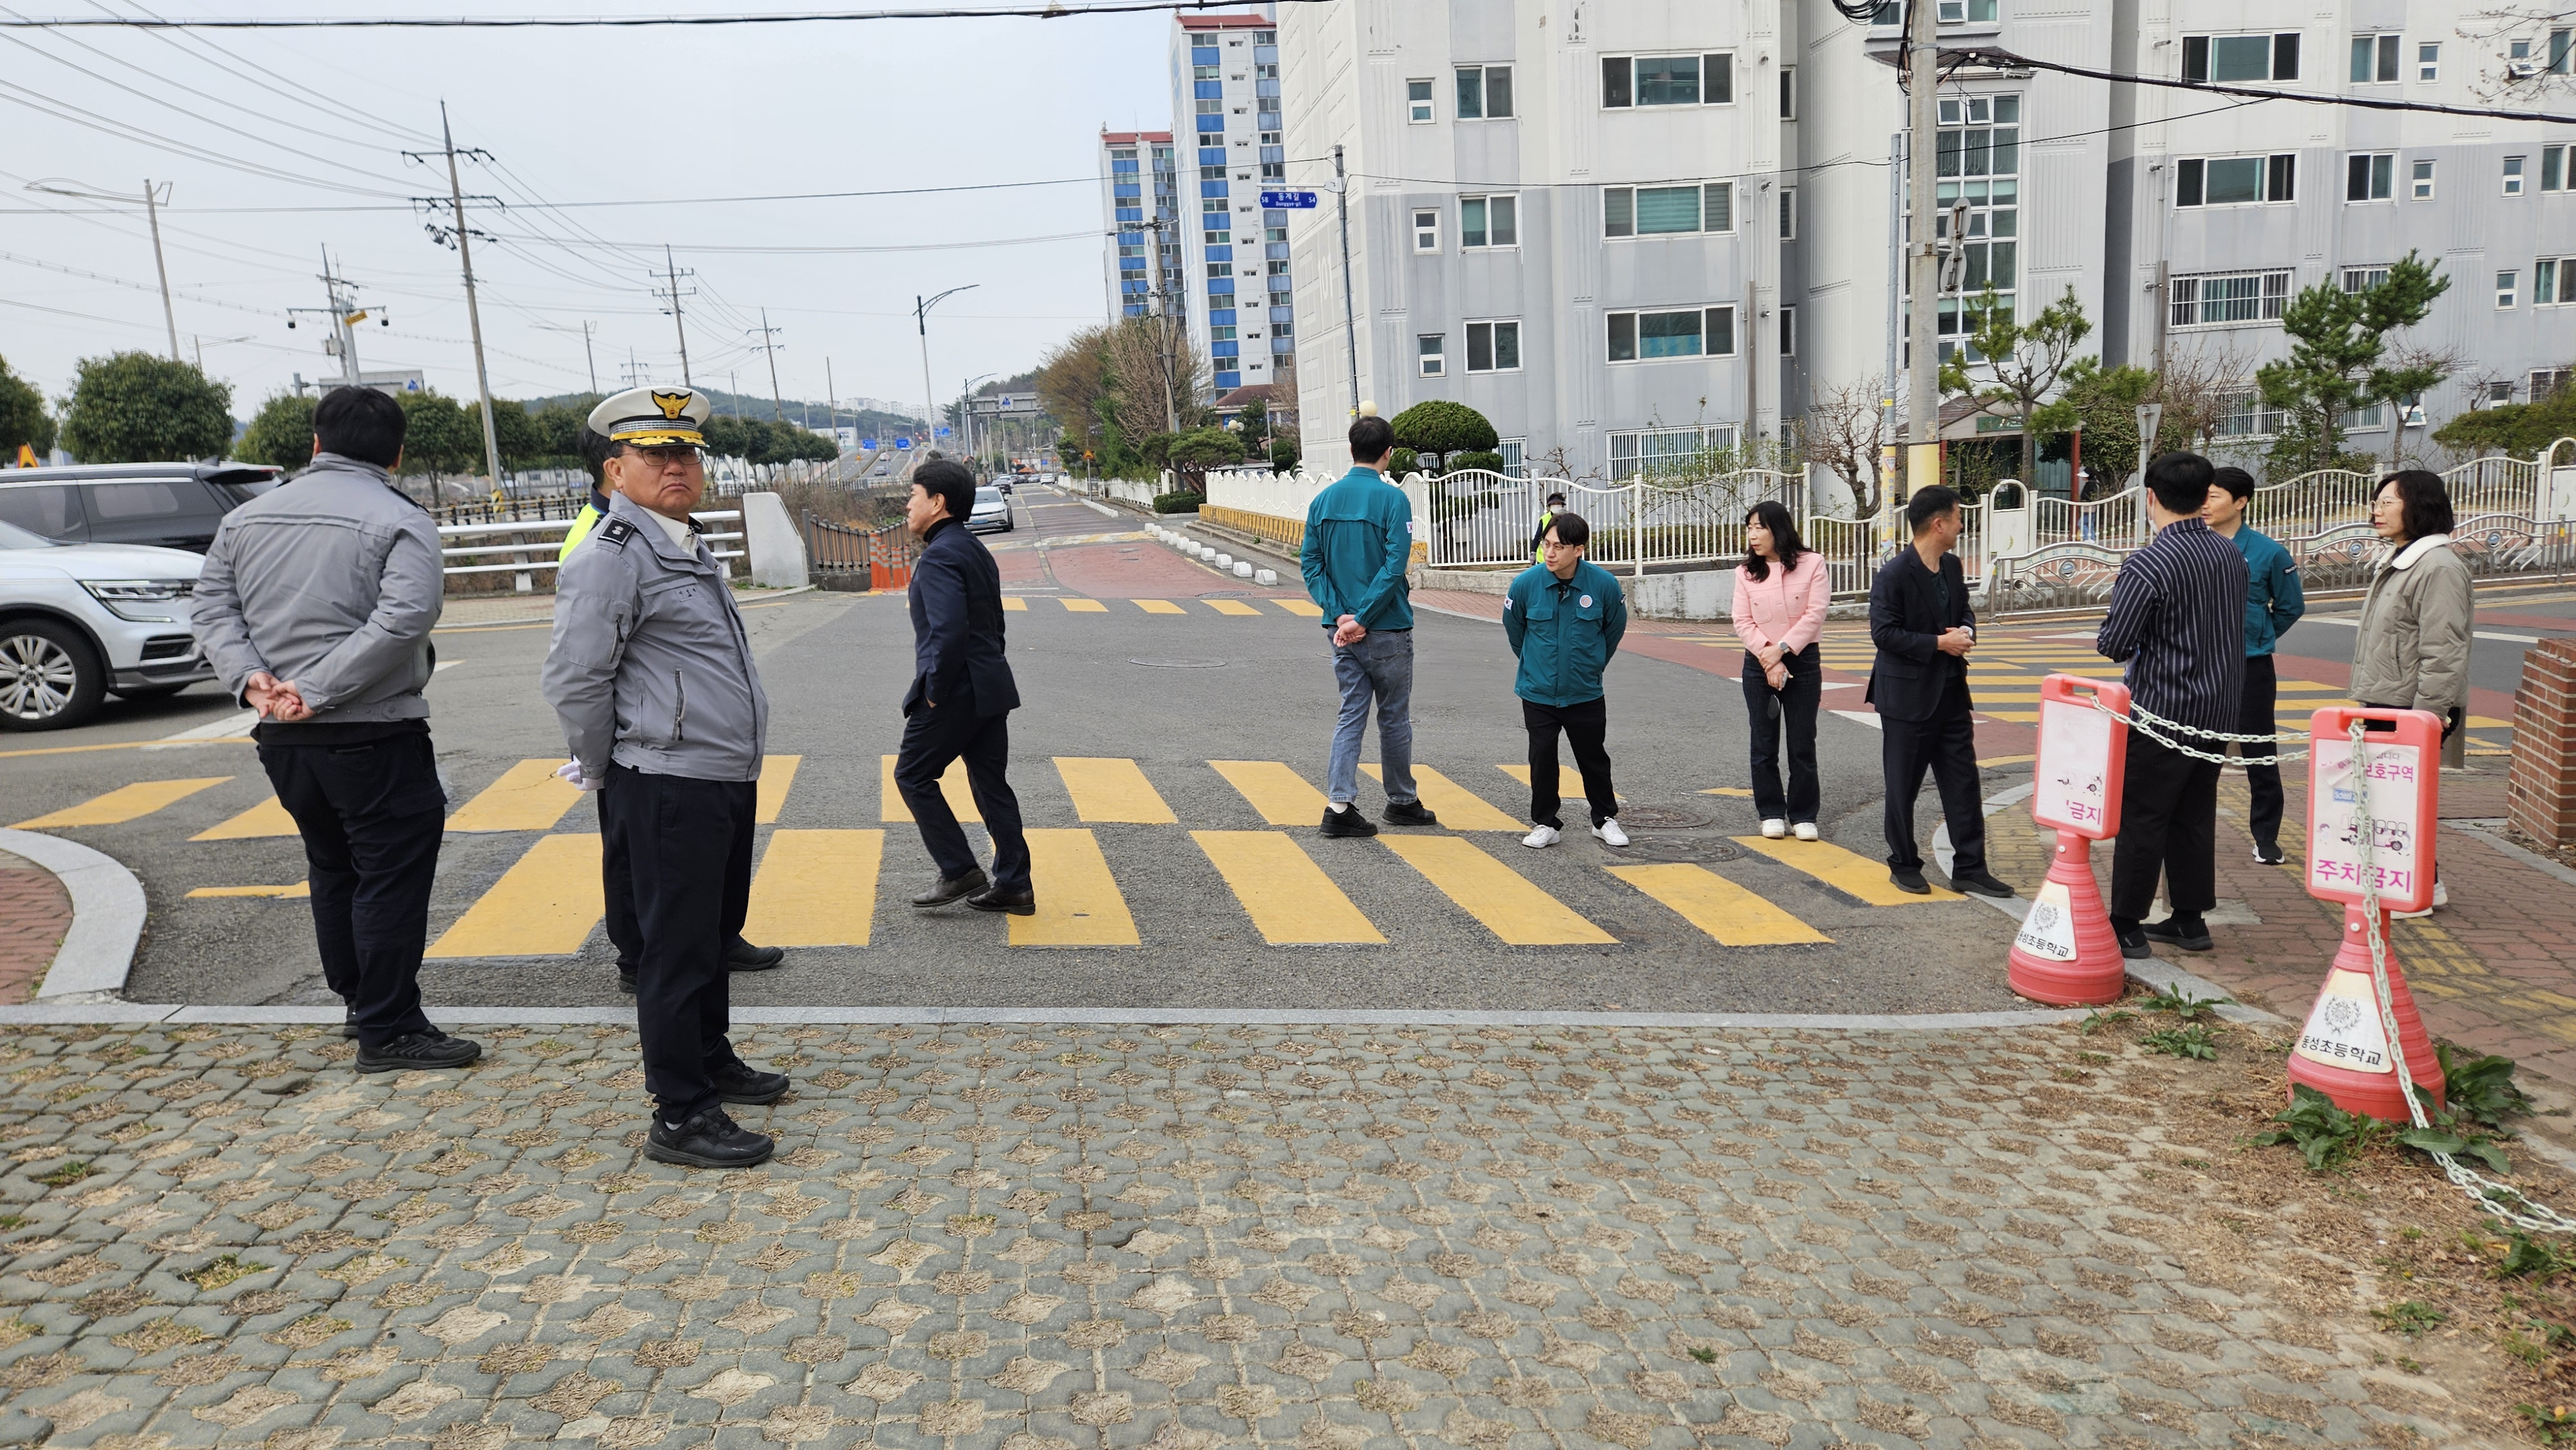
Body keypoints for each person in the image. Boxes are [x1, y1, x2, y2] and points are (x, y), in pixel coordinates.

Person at [191, 386, 480, 1072]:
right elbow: (405, 619)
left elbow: (211, 607)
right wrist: (315, 691)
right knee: (389, 873)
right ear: (398, 452)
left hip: (281, 736)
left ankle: (359, 1003)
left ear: (315, 443)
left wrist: (254, 679)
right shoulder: (399, 518)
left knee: (332, 864)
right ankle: (390, 1027)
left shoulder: (247, 519)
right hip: (372, 728)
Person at [542, 387, 785, 1170]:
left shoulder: (683, 542)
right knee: (674, 951)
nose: (676, 466)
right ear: (615, 469)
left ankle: (711, 1059)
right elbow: (577, 679)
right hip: (665, 778)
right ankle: (680, 1112)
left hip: (717, 774)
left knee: (711, 936)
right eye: (655, 453)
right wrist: (611, 769)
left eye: (685, 453)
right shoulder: (609, 557)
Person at [2096, 451, 2249, 957]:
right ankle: (2189, 919)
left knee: (2144, 815)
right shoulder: (2231, 554)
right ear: (2207, 496)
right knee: (2193, 815)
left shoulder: (2148, 562)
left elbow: (2115, 642)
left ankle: (2126, 924)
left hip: (2162, 712)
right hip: (2218, 710)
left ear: (2151, 498)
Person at [895, 458, 1034, 914]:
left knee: (913, 775)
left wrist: (935, 688)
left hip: (956, 687)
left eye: (913, 497)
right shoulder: (973, 548)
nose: (907, 506)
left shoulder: (938, 556)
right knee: (991, 784)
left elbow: (948, 631)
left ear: (937, 502)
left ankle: (958, 870)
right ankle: (1014, 884)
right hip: (990, 683)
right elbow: (995, 624)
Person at [1866, 485, 2011, 898]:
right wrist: (1937, 644)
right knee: (1903, 785)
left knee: (1963, 781)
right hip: (1907, 698)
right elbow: (1884, 634)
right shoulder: (1894, 574)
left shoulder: (1951, 566)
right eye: (1958, 517)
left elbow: (1964, 610)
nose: (1963, 525)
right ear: (1938, 523)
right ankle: (1904, 863)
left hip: (1950, 694)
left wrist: (1965, 631)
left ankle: (1969, 867)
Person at [1300, 413, 1437, 837]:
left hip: (1340, 631)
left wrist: (1341, 615)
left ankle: (1339, 804)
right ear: (1388, 453)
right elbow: (1395, 566)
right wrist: (1364, 617)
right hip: (1388, 629)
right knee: (1394, 718)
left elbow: (1311, 564)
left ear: (1350, 450)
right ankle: (1401, 800)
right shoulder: (1393, 500)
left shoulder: (1322, 501)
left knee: (1350, 714)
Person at [2351, 468, 2473, 918]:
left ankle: (2419, 887)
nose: (2376, 511)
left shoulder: (2438, 567)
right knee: (2390, 803)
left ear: (2419, 505)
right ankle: (2420, 882)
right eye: (2377, 502)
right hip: (2391, 700)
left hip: (2414, 707)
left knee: (2404, 803)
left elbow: (2444, 649)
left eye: (2388, 502)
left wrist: (2429, 715)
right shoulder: (2405, 559)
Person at [1503, 511, 1629, 848]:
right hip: (1538, 691)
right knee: (1542, 758)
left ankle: (1604, 819)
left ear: (1580, 550)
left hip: (1584, 690)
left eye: (1559, 546)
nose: (1550, 553)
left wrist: (1592, 664)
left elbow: (1613, 630)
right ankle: (1546, 822)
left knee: (1593, 758)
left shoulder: (1603, 585)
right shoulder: (1526, 584)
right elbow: (1515, 630)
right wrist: (1533, 663)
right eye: (1547, 545)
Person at [2202, 466, 2306, 865]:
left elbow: (2290, 606)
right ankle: (2192, 833)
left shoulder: (2268, 552)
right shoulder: (2196, 546)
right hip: (2204, 667)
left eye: (2214, 496)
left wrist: (2259, 635)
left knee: (2259, 752)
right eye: (2203, 496)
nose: (2205, 504)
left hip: (2251, 667)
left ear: (2240, 501)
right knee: (2197, 753)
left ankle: (2267, 837)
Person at [1731, 500, 1831, 842]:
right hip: (1760, 664)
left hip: (1802, 659)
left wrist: (1782, 651)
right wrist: (1768, 657)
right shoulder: (1746, 573)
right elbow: (1742, 621)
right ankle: (1771, 812)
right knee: (1763, 743)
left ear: (1779, 528)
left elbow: (1815, 613)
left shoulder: (1812, 563)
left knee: (1803, 742)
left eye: (1760, 527)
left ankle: (1804, 814)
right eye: (1749, 528)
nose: (1753, 535)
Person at [1530, 491, 1567, 564]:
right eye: (1553, 504)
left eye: (1558, 504)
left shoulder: (1568, 518)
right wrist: (1533, 552)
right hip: (1543, 558)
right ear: (1549, 506)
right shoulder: (1544, 519)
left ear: (1562, 505)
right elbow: (1537, 537)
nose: (1556, 506)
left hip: (1561, 556)